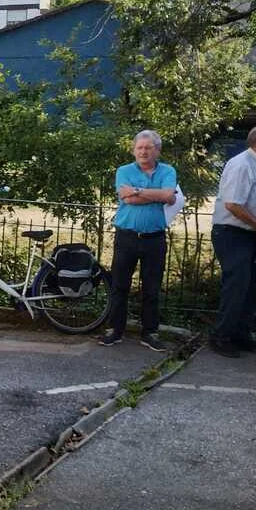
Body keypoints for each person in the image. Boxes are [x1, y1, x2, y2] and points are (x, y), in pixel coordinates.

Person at [99, 130, 177, 352]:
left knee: (152, 288)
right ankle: (115, 330)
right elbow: (128, 199)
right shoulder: (124, 171)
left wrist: (137, 191)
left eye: (148, 148)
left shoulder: (168, 171)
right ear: (134, 150)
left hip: (154, 239)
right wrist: (157, 195)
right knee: (119, 285)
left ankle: (150, 333)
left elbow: (168, 196)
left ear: (157, 150)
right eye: (140, 148)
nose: (143, 152)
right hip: (127, 237)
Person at [207, 125, 256, 358]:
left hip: (251, 235)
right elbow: (232, 204)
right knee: (237, 284)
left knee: (251, 286)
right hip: (231, 233)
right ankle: (221, 336)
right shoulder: (241, 165)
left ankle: (241, 335)